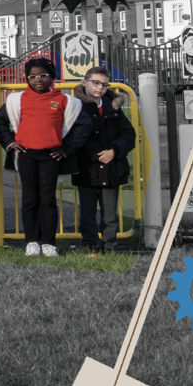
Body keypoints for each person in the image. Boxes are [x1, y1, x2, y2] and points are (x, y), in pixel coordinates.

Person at [0, 58, 92, 258]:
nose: (38, 80)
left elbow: (84, 125)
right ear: (26, 79)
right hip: (26, 155)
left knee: (47, 200)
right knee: (29, 199)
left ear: (52, 77)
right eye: (33, 76)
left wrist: (65, 149)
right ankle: (32, 241)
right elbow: (0, 120)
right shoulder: (16, 100)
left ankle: (48, 243)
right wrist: (10, 142)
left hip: (50, 156)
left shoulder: (66, 101)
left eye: (43, 76)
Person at [71, 66, 135, 252]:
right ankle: (90, 244)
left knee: (109, 213)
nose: (100, 88)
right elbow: (72, 136)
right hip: (87, 168)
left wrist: (114, 150)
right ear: (85, 82)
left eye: (104, 85)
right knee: (88, 210)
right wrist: (90, 154)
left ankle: (110, 245)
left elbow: (128, 134)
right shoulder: (76, 106)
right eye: (96, 83)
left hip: (111, 167)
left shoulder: (113, 108)